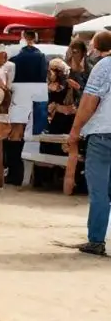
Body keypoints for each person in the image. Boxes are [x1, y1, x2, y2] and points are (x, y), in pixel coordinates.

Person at [68, 30, 111, 256]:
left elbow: (89, 101)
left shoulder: (104, 66)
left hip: (104, 133)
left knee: (100, 192)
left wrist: (75, 131)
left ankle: (96, 240)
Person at [5, 29, 48, 186]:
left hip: (19, 92)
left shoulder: (15, 55)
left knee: (15, 133)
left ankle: (15, 174)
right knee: (34, 132)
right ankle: (32, 176)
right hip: (38, 93)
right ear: (35, 38)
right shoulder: (41, 56)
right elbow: (43, 74)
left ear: (23, 37)